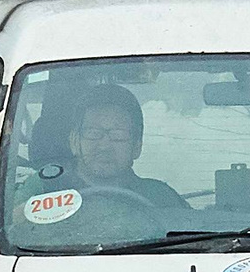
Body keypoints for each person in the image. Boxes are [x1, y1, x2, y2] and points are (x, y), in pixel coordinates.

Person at [45, 84, 186, 217]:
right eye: (94, 133)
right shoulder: (44, 190)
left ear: (137, 146)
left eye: (118, 135)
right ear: (74, 141)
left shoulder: (160, 198)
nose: (104, 146)